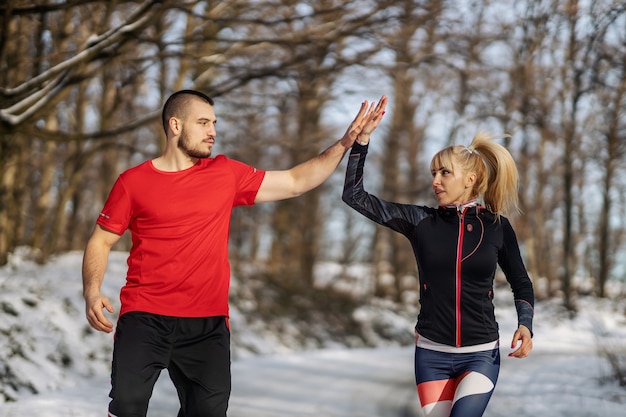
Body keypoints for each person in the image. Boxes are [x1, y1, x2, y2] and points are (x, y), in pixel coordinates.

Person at [82, 89, 388, 417]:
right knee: (127, 406)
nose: (213, 131)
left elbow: (296, 181)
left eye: (214, 122)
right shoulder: (134, 182)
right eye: (203, 123)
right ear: (175, 125)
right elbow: (101, 240)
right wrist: (91, 290)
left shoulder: (225, 173)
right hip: (145, 317)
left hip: (207, 323)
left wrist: (345, 142)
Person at [342, 129, 534, 417]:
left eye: (445, 172)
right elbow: (354, 196)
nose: (435, 180)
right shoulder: (420, 221)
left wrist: (526, 324)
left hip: (480, 353)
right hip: (432, 355)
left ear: (470, 179)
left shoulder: (496, 226)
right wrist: (362, 142)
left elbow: (521, 282)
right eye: (433, 172)